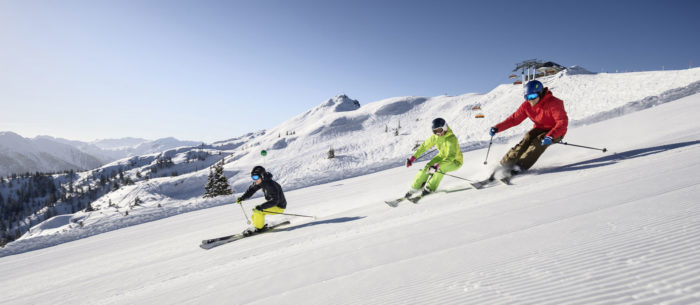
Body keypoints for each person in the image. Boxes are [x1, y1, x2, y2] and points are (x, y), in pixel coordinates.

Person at [488, 80, 568, 176]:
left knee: (538, 141)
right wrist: (497, 128)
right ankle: (505, 164)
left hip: (556, 131)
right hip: (539, 128)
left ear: (540, 93)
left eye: (532, 96)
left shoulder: (554, 103)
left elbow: (562, 122)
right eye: (527, 97)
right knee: (527, 137)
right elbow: (514, 119)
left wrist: (551, 136)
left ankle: (519, 167)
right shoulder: (526, 105)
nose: (530, 100)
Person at [404, 118, 463, 197]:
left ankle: (429, 188)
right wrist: (412, 158)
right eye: (435, 131)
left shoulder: (451, 139)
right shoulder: (435, 137)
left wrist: (437, 166)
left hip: (455, 161)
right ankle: (415, 188)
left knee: (440, 169)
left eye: (439, 130)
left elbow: (450, 157)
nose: (438, 133)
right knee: (427, 168)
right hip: (441, 157)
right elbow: (424, 146)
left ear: (445, 128)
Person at [236, 166, 287, 235]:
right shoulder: (261, 181)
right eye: (253, 178)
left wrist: (261, 207)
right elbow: (252, 189)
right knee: (255, 211)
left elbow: (275, 200)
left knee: (259, 211)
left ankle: (258, 227)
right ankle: (257, 225)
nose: (255, 180)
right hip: (272, 203)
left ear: (262, 176)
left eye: (256, 177)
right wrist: (242, 198)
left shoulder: (270, 185)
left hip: (279, 206)